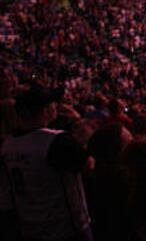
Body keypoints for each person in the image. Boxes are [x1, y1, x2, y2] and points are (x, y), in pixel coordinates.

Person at [0, 83, 92, 241]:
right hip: (66, 228)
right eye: (52, 102)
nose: (56, 106)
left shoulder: (7, 145)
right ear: (44, 110)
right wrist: (79, 121)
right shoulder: (56, 140)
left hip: (29, 228)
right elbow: (88, 165)